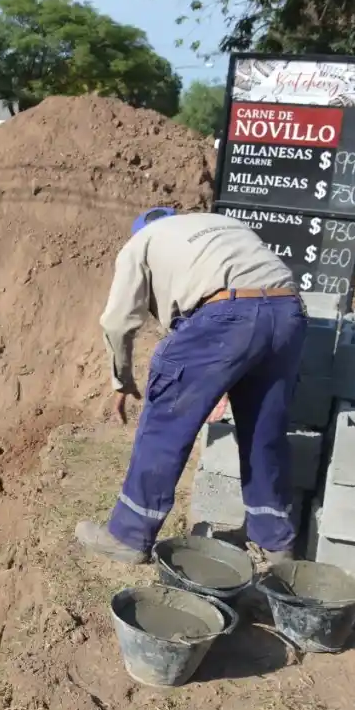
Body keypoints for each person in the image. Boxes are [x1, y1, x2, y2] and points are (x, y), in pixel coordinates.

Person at [75, 208, 308, 564]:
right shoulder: (220, 224)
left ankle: (129, 535)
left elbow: (118, 322)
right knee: (265, 432)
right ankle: (275, 542)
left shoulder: (141, 243)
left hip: (224, 316)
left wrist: (121, 380)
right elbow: (253, 302)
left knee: (164, 426)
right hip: (287, 313)